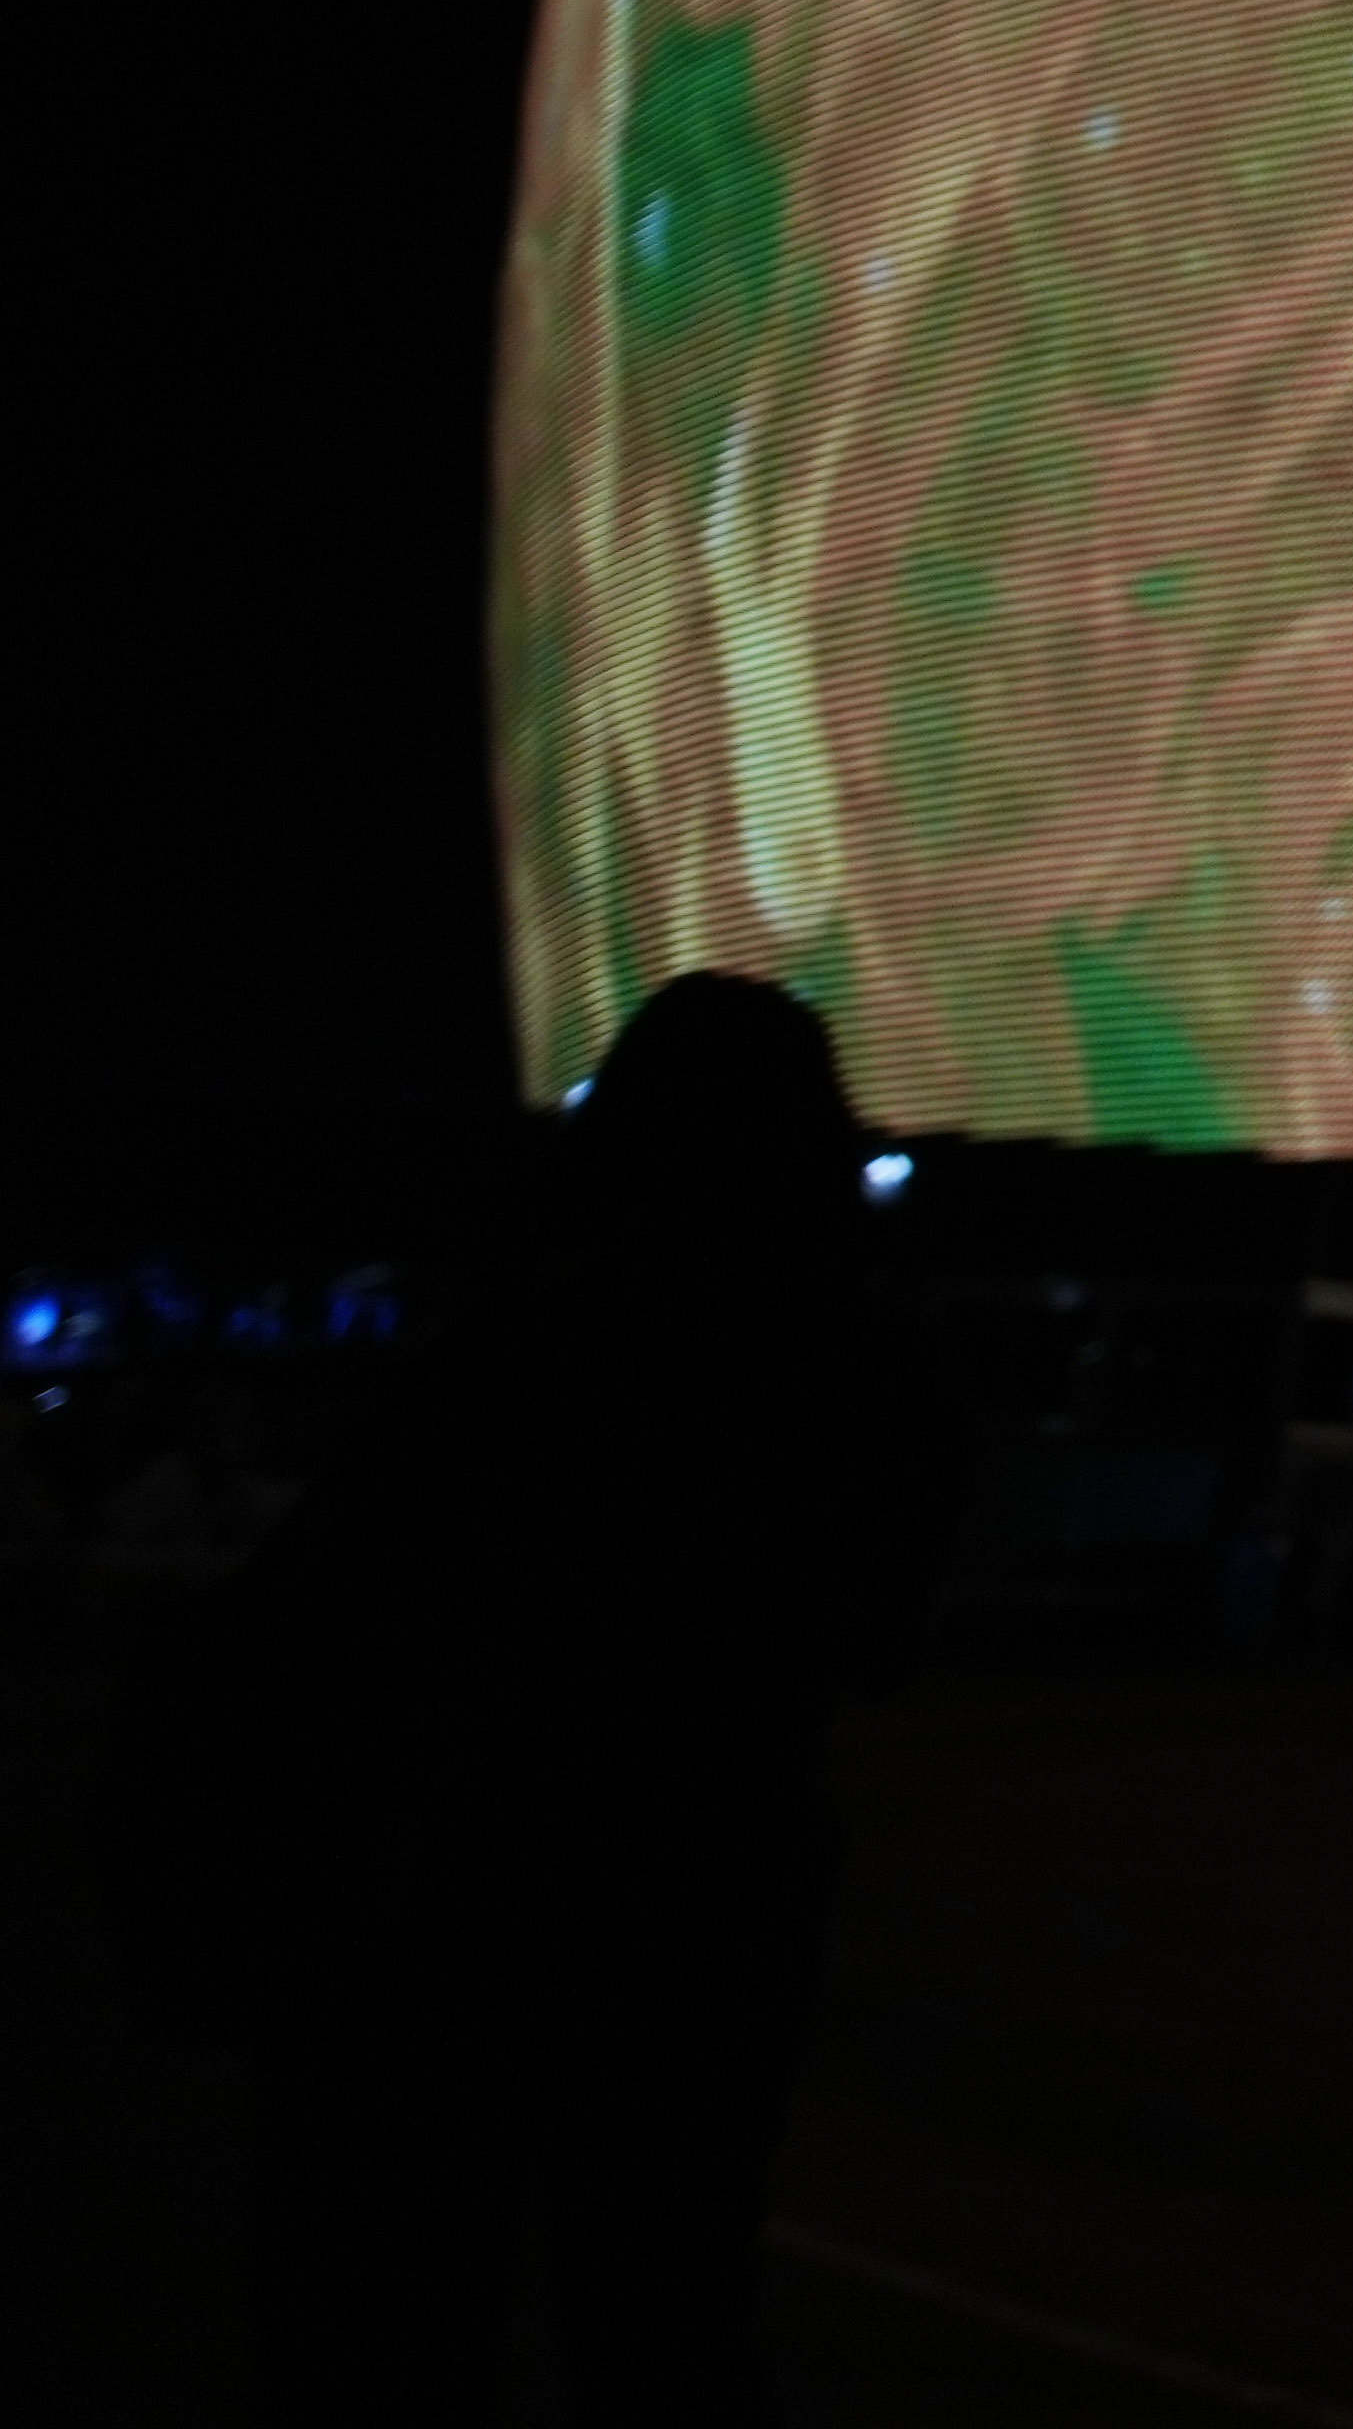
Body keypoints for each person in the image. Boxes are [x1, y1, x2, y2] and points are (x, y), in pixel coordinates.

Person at [213, 969, 957, 2421]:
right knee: (665, 2307)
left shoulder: (525, 1349)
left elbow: (351, 1595)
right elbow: (883, 1638)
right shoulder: (871, 1367)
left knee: (409, 2296)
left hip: (462, 1875)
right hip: (718, 1883)